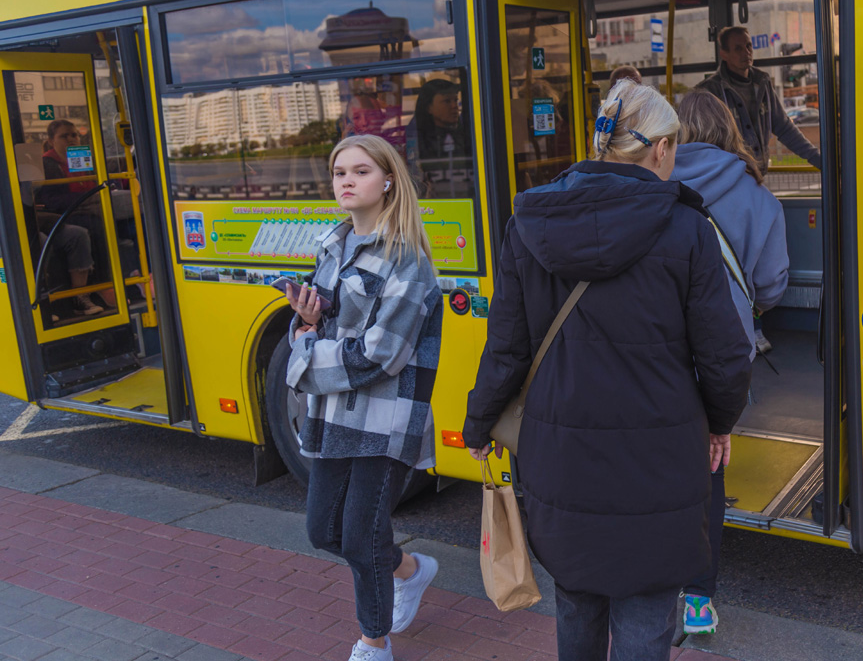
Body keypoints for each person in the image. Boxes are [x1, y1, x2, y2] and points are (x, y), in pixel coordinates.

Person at [463, 79, 752, 661]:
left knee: (576, 596)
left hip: (559, 454)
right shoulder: (688, 227)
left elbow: (507, 348)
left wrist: (478, 424)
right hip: (661, 455)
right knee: (648, 607)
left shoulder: (529, 223)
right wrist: (720, 422)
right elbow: (724, 354)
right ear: (662, 149)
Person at [285, 134, 443, 661]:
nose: (347, 181)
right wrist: (306, 325)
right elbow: (319, 325)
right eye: (339, 173)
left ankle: (373, 642)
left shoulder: (409, 263)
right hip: (333, 413)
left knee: (358, 536)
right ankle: (409, 570)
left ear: (389, 180)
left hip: (387, 419)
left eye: (360, 171)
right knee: (323, 529)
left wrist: (305, 354)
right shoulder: (332, 245)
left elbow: (380, 355)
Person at [671, 89, 788, 635]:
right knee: (710, 465)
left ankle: (646, 582)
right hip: (722, 354)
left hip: (655, 350)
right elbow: (770, 284)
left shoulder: (652, 182)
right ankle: (698, 601)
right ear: (728, 129)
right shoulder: (757, 192)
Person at [696, 26, 820, 173]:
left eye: (748, 46)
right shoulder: (710, 92)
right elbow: (701, 142)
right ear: (724, 54)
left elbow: (784, 128)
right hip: (727, 177)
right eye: (738, 49)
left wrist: (819, 160)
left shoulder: (762, 83)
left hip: (757, 174)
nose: (746, 52)